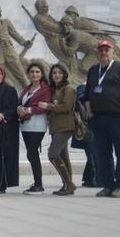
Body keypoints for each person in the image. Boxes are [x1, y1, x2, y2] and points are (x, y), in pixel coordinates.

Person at [85, 40, 120, 198]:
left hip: (119, 118)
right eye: (101, 50)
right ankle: (108, 185)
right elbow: (87, 93)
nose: (103, 52)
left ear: (112, 52)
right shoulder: (93, 70)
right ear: (97, 52)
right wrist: (90, 113)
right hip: (98, 118)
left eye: (106, 50)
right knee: (102, 153)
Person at [38, 64, 77, 195]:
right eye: (54, 73)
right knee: (64, 157)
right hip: (56, 127)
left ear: (64, 74)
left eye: (60, 73)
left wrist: (48, 106)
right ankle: (67, 185)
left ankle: (69, 184)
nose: (57, 75)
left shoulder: (68, 89)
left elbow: (66, 107)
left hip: (65, 127)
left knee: (53, 154)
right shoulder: (55, 89)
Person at [17, 63, 52, 194]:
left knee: (32, 153)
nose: (34, 74)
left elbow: (44, 106)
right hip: (25, 125)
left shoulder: (45, 89)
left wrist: (29, 109)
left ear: (42, 74)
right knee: (31, 153)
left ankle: (39, 184)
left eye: (37, 72)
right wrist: (19, 108)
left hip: (37, 126)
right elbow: (20, 102)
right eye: (32, 72)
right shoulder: (27, 88)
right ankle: (37, 183)